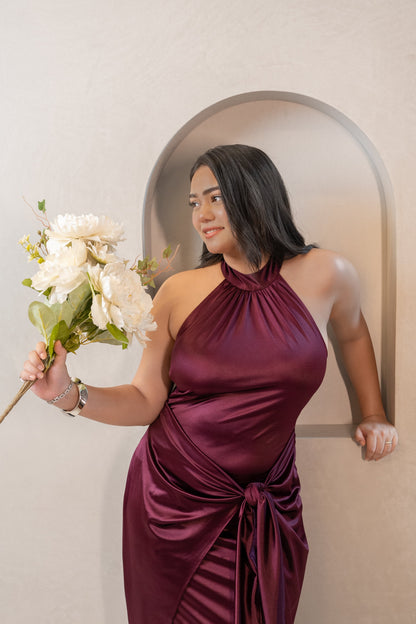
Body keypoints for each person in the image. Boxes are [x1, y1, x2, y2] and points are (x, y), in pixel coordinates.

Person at [21, 144, 398, 624]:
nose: (201, 215)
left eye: (215, 198)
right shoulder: (179, 291)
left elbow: (354, 333)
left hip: (269, 499)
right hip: (174, 499)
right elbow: (145, 398)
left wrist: (374, 413)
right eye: (194, 203)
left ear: (256, 194)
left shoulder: (328, 273)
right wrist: (66, 395)